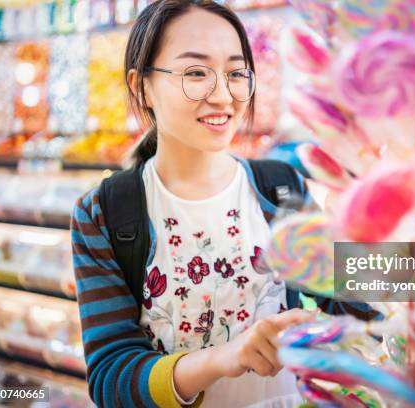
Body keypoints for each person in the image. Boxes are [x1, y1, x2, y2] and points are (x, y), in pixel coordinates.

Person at [70, 1, 317, 407]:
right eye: (196, 73)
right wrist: (224, 357)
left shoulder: (282, 190)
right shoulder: (104, 213)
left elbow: (350, 290)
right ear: (141, 85)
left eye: (236, 73)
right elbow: (111, 378)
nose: (222, 96)